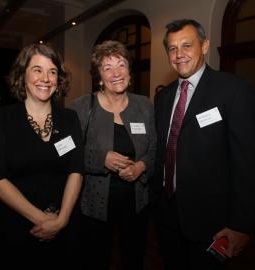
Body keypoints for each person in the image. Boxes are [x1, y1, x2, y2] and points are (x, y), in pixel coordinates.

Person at [151, 19, 255, 270]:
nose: (179, 54)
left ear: (205, 45)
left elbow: (247, 161)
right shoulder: (163, 98)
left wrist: (241, 224)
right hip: (166, 214)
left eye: (187, 45)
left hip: (212, 220)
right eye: (173, 49)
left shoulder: (233, 89)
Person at [0, 43, 84, 268]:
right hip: (17, 228)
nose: (45, 78)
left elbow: (76, 170)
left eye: (52, 72)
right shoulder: (2, 118)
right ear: (23, 75)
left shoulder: (70, 119)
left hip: (65, 227)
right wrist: (42, 220)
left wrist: (62, 220)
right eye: (37, 70)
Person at [70, 40, 156, 270]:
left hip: (136, 201)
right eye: (107, 68)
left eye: (121, 65)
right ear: (99, 76)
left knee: (134, 257)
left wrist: (141, 167)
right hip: (94, 203)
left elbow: (155, 148)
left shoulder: (144, 105)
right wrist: (101, 159)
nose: (116, 73)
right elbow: (67, 150)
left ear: (129, 71)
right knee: (96, 258)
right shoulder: (81, 107)